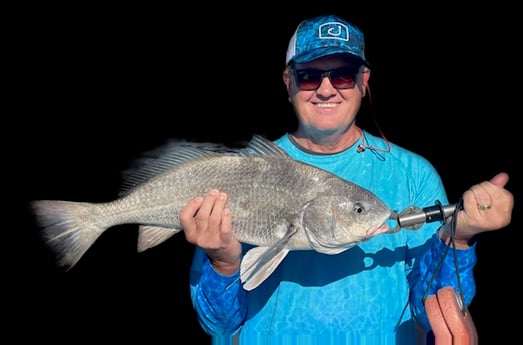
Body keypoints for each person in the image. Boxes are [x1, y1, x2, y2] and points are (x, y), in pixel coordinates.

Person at [179, 14, 514, 344]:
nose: (326, 90)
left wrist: (457, 239)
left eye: (342, 75)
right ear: (288, 81)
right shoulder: (242, 172)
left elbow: (429, 313)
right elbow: (218, 323)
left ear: (363, 80)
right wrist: (223, 262)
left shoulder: (414, 175)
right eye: (309, 75)